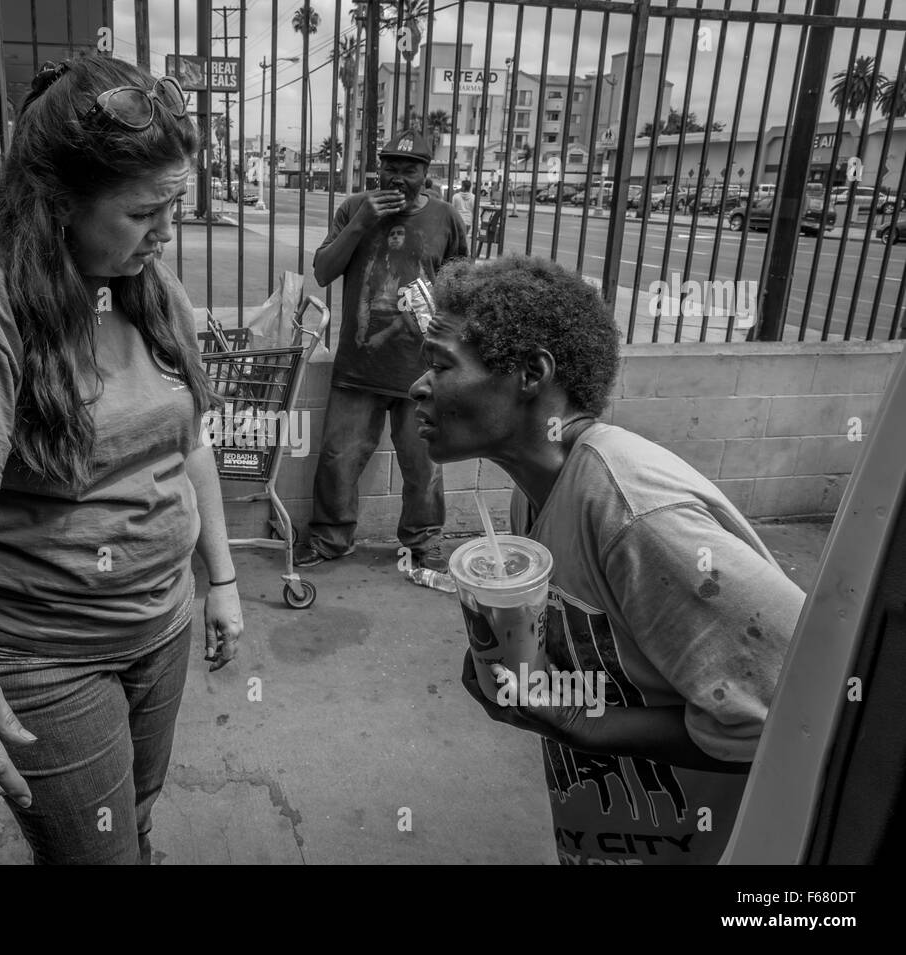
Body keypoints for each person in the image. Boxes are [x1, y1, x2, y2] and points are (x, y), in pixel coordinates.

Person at [0, 56, 244, 865]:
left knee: (137, 815)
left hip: (161, 621)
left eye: (174, 207)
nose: (165, 232)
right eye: (143, 212)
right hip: (45, 653)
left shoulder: (149, 284)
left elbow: (190, 442)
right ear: (57, 203)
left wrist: (220, 580)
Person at [410, 255, 803, 865]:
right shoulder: (534, 498)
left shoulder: (636, 515)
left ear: (530, 373)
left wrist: (580, 723)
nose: (419, 385)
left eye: (440, 364)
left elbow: (794, 712)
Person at [296, 130, 467, 571]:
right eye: (390, 166)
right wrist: (360, 224)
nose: (397, 177)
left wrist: (454, 352)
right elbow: (321, 271)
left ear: (426, 174)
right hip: (359, 364)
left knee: (424, 464)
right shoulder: (354, 208)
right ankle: (330, 540)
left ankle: (423, 542)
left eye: (409, 169)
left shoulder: (446, 218)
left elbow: (459, 288)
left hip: (423, 369)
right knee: (338, 457)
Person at [451, 179, 477, 249]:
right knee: (464, 238)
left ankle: (458, 253)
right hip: (468, 221)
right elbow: (475, 211)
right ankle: (464, 252)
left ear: (463, 187)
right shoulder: (474, 197)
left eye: (461, 186)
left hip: (458, 220)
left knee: (457, 238)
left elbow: (452, 209)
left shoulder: (456, 196)